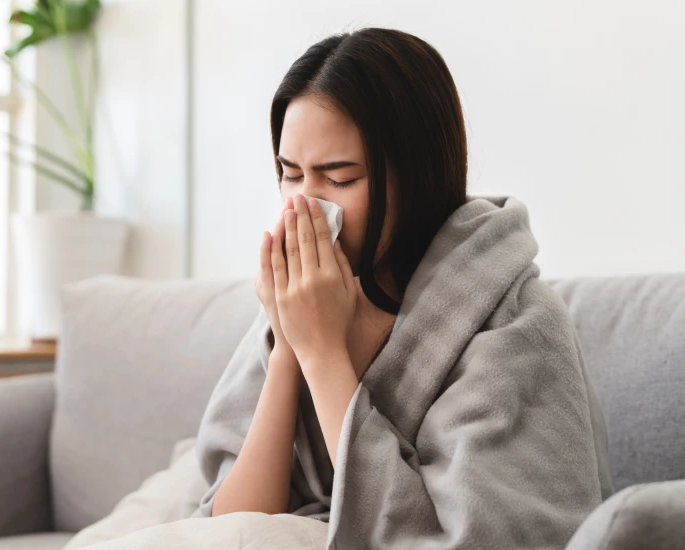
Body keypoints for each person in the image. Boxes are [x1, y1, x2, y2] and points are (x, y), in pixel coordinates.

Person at [193, 27, 613, 549]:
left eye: (340, 178)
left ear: (416, 176)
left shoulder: (516, 325)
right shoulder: (307, 298)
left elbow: (480, 536)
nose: (304, 207)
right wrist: (289, 346)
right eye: (289, 173)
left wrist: (324, 356)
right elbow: (231, 525)